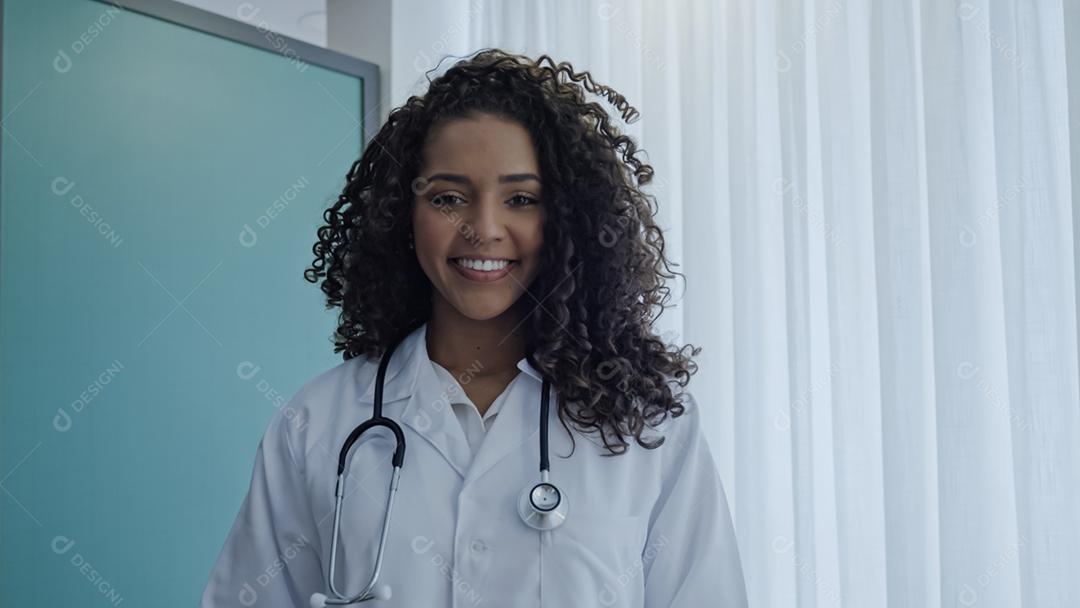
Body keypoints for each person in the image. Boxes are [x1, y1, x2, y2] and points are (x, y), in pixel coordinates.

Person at [200, 48, 747, 607]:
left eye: (521, 199)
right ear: (402, 215)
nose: (483, 229)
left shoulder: (647, 428)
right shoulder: (317, 425)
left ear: (566, 220)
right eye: (448, 198)